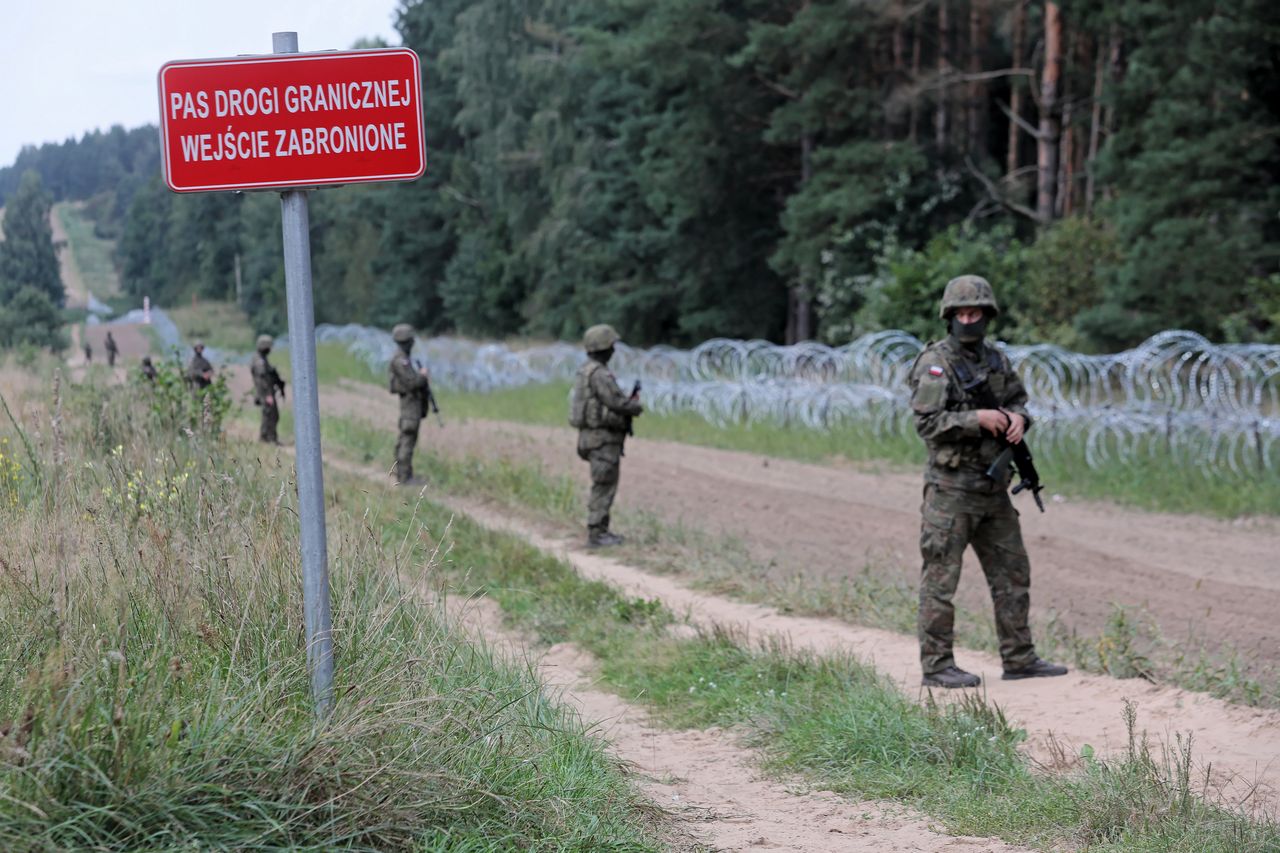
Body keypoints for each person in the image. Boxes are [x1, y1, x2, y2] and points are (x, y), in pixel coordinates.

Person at [907, 275, 1067, 689]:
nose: (968, 318)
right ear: (949, 316)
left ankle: (1019, 658)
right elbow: (927, 423)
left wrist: (1018, 420)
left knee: (1013, 574)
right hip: (951, 489)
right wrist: (976, 419)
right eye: (961, 312)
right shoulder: (936, 363)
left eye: (975, 312)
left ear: (987, 314)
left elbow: (1017, 400)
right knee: (941, 579)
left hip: (993, 489)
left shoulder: (996, 360)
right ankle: (938, 665)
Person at [569, 324, 642, 547]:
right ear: (603, 348)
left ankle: (599, 530)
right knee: (604, 485)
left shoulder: (585, 371)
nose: (614, 350)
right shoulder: (600, 375)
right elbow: (616, 402)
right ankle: (597, 533)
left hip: (590, 437)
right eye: (611, 346)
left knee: (602, 483)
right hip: (602, 439)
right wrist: (634, 407)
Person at [387, 323, 431, 485]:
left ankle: (402, 474)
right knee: (407, 441)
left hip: (410, 407)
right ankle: (404, 478)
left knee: (405, 440)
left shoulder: (402, 359)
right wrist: (423, 376)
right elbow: (412, 382)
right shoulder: (401, 361)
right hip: (410, 408)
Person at [250, 335, 286, 444]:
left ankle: (268, 437)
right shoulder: (259, 361)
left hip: (267, 392)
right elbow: (262, 380)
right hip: (265, 393)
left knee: (271, 414)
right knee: (270, 415)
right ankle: (268, 438)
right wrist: (268, 395)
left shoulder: (262, 359)